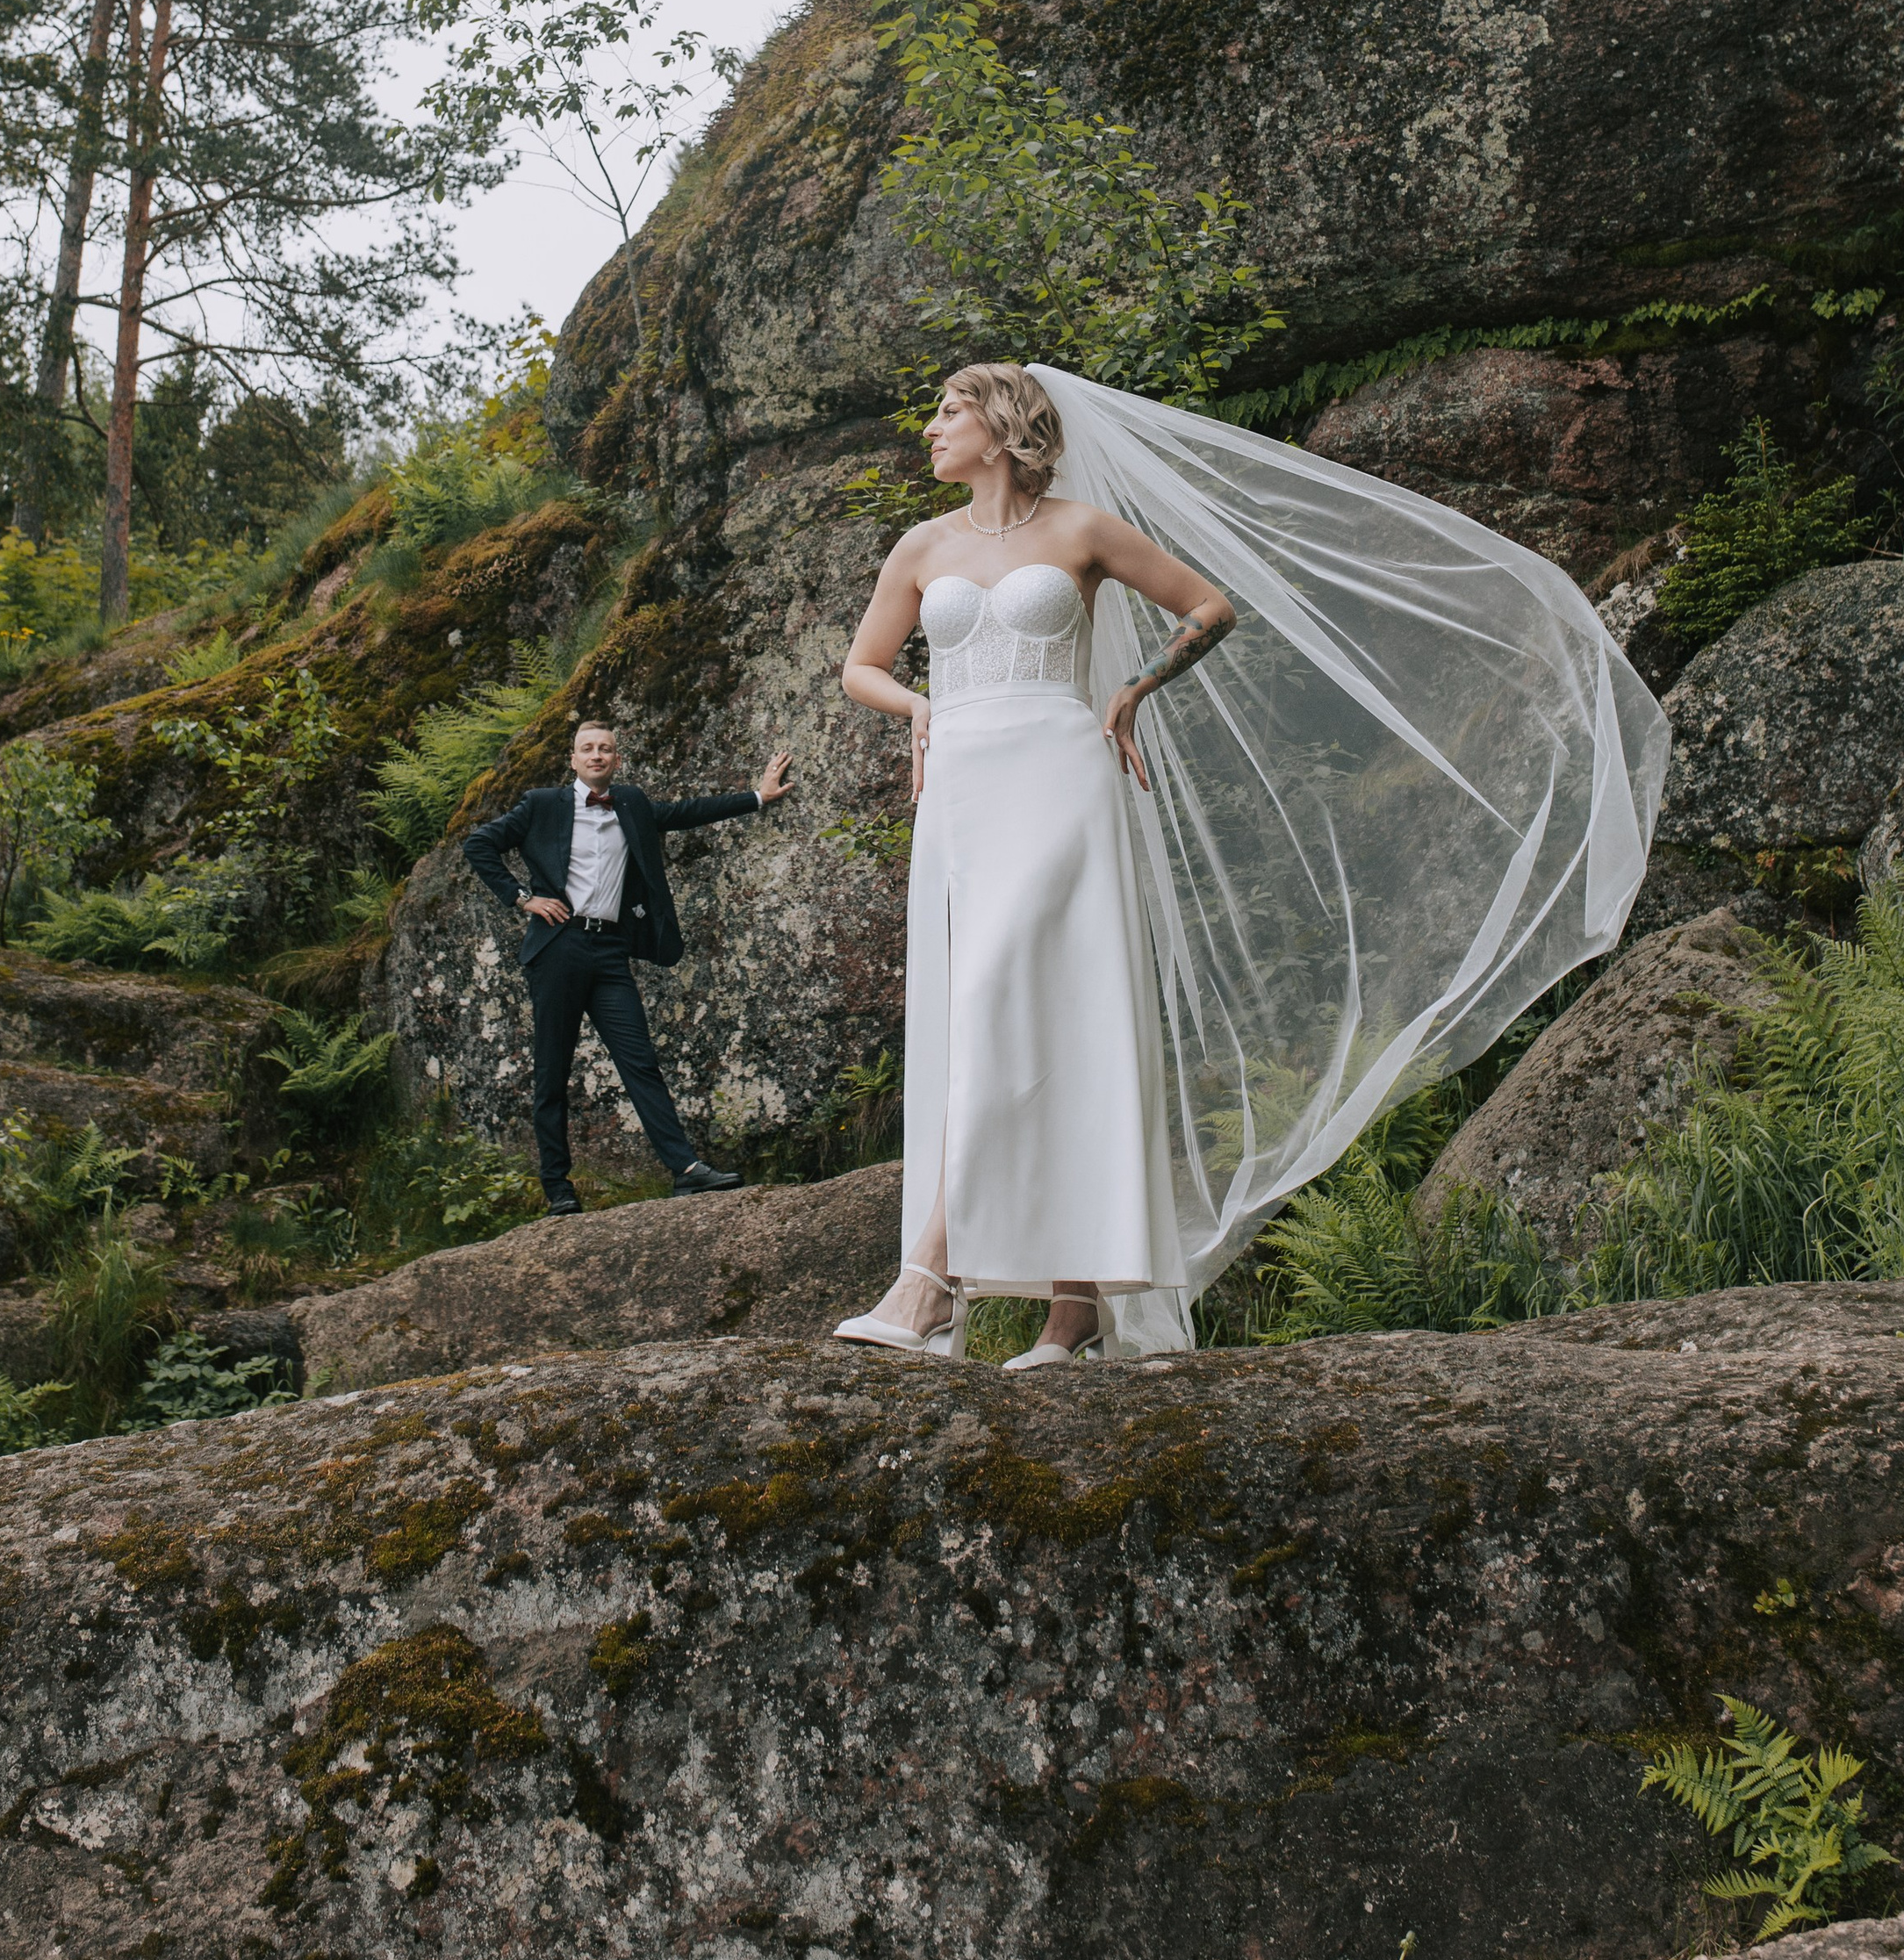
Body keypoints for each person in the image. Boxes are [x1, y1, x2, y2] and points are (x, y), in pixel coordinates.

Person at [832, 359, 1668, 1369]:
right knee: (992, 1017)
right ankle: (1073, 1307)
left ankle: (931, 1282)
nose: (930, 427)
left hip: (1061, 780)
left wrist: (1134, 689)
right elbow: (860, 667)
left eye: (949, 408)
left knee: (1041, 1005)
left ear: (1003, 426)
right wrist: (921, 707)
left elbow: (1209, 610)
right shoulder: (921, 546)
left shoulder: (1081, 531)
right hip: (964, 789)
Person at [463, 717, 794, 1214]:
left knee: (639, 1060)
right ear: (572, 760)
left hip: (610, 950)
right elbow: (479, 844)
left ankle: (685, 1170)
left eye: (606, 749)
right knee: (553, 1071)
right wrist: (523, 898)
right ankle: (558, 1189)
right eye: (587, 748)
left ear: (617, 760)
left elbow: (685, 812)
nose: (597, 755)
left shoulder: (632, 804)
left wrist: (758, 796)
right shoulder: (541, 805)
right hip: (557, 948)